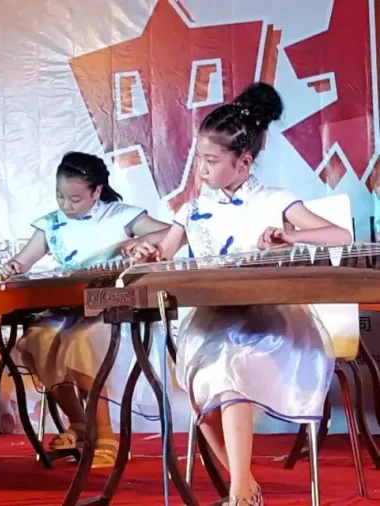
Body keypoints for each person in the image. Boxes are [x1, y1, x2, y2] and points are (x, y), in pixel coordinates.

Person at [129, 83, 352, 505]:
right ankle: (245, 485)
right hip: (212, 323)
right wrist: (148, 252)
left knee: (228, 371)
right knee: (203, 391)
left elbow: (340, 235)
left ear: (244, 162)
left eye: (212, 161)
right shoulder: (193, 209)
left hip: (269, 325)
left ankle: (239, 494)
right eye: (199, 158)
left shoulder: (274, 201)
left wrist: (289, 235)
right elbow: (164, 252)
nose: (201, 170)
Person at [4, 151, 171, 468]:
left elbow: (172, 233)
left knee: (82, 342)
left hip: (112, 308)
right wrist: (15, 265)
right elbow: (23, 260)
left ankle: (106, 436)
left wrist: (138, 242)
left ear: (97, 191)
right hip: (67, 306)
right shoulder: (51, 224)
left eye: (76, 198)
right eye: (60, 196)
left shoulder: (120, 215)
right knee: (36, 341)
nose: (66, 206)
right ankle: (79, 423)